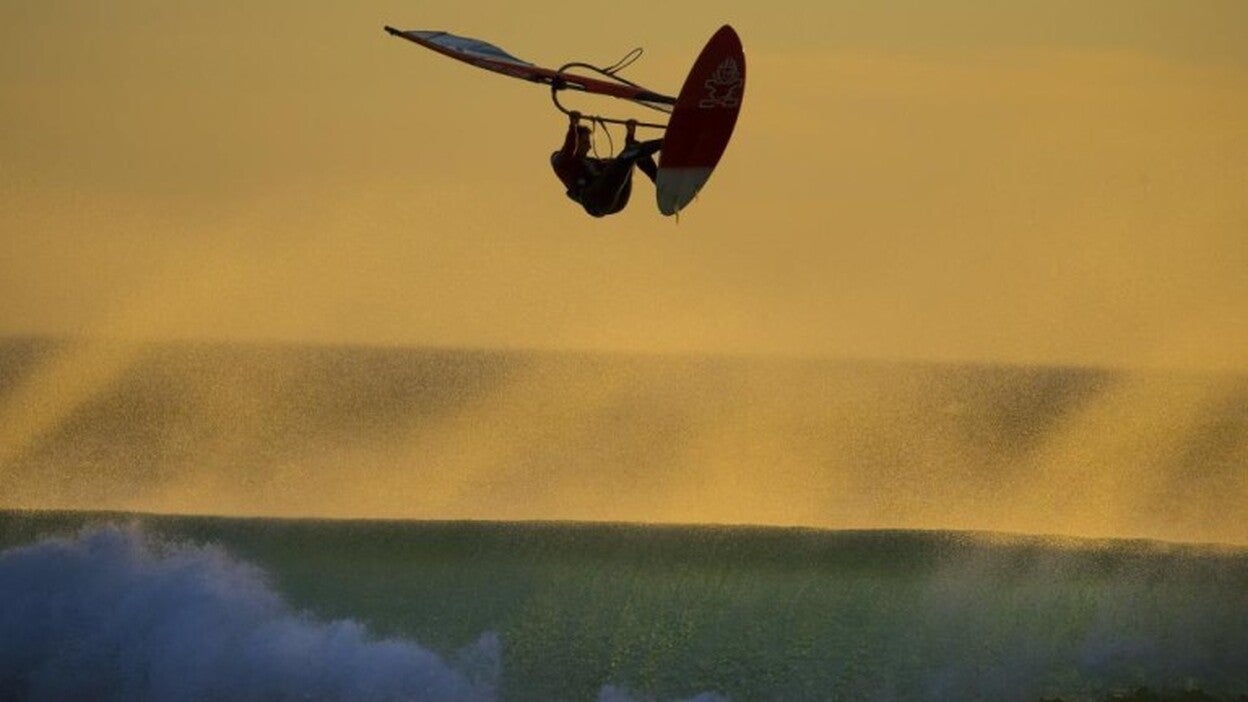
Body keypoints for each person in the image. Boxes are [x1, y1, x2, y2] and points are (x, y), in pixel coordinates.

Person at [550, 111, 662, 217]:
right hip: (595, 199)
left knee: (632, 152)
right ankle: (664, 142)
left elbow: (619, 168)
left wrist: (630, 135)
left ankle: (660, 181)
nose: (589, 147)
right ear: (576, 142)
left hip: (616, 202)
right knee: (628, 155)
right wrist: (573, 126)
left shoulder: (592, 162)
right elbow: (568, 149)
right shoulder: (562, 162)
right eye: (585, 142)